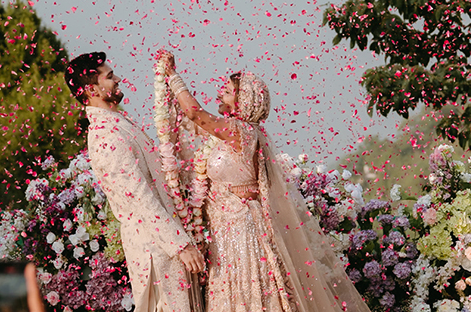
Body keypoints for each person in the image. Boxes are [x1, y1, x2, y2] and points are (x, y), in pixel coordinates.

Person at [157, 52, 371, 312]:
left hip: (241, 231)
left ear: (242, 100)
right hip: (225, 231)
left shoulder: (241, 131)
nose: (219, 95)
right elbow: (189, 122)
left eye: (226, 92)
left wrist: (173, 77)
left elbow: (195, 115)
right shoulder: (228, 133)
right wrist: (164, 89)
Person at [65, 52, 206, 312]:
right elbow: (140, 198)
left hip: (167, 245)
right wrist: (181, 245)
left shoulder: (118, 123)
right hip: (155, 250)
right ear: (90, 89)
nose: (117, 79)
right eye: (109, 77)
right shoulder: (104, 136)